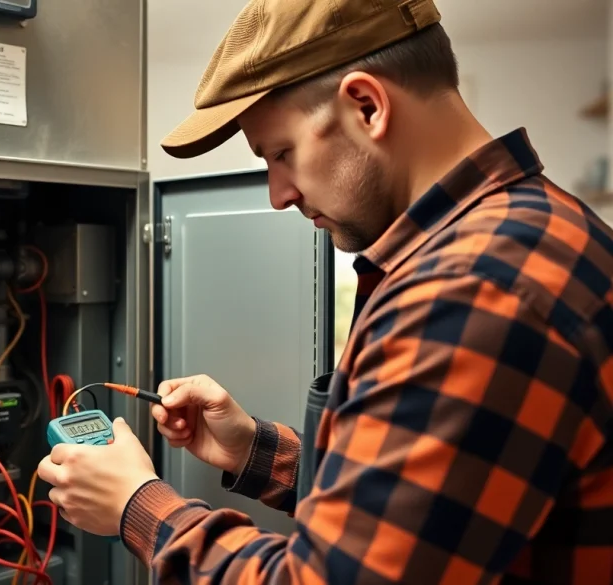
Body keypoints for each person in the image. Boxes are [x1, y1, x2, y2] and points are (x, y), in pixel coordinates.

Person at [37, 0, 613, 582]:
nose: (277, 195)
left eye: (282, 154)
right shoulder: (531, 229)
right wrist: (256, 451)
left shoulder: (471, 289)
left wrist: (138, 504)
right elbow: (421, 508)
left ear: (367, 106)